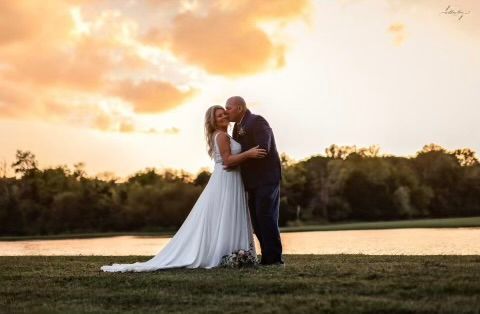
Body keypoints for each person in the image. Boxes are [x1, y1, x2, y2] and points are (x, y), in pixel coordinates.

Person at [100, 105, 266, 272]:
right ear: (213, 121)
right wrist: (248, 154)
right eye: (219, 116)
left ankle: (233, 253)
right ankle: (228, 254)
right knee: (226, 212)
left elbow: (229, 161)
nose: (223, 117)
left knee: (226, 214)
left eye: (224, 114)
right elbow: (228, 161)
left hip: (230, 179)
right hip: (227, 180)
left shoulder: (223, 135)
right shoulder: (221, 136)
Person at [225, 96, 284, 266]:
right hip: (250, 181)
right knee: (256, 220)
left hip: (266, 178)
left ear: (239, 107)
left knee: (266, 216)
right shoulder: (237, 127)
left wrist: (240, 157)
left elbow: (263, 149)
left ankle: (274, 259)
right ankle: (267, 257)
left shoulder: (257, 121)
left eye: (228, 108)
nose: (226, 111)